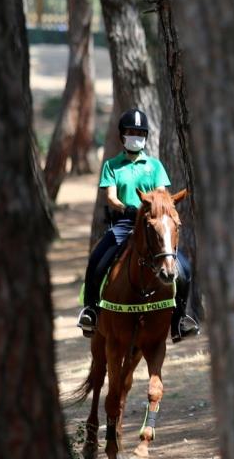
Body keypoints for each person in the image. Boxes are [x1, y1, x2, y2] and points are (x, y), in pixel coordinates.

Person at [76, 108, 200, 341]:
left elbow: (161, 194)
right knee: (96, 261)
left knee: (183, 268)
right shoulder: (112, 165)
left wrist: (153, 208)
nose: (136, 136)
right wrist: (126, 207)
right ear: (122, 135)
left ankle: (180, 319)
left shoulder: (154, 166)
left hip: (152, 223)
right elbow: (110, 196)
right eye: (131, 132)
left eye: (140, 132)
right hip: (124, 222)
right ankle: (90, 311)